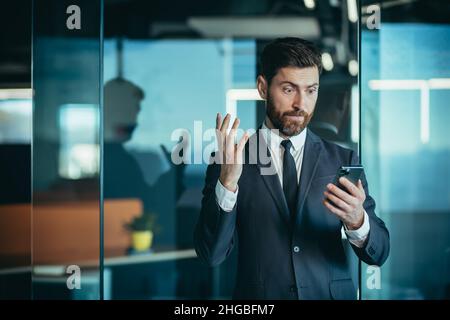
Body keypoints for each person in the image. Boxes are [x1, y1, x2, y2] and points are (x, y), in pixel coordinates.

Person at [194, 37, 390, 300]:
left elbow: (378, 253)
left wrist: (358, 221)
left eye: (311, 90)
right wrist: (227, 184)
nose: (301, 104)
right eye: (289, 89)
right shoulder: (229, 160)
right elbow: (211, 255)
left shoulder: (342, 159)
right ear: (263, 87)